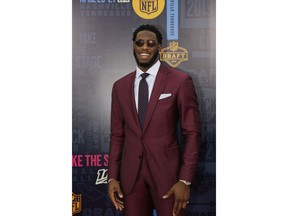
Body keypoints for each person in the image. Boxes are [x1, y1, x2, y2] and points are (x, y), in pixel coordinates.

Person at [107, 24, 201, 216]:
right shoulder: (119, 86)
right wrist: (112, 178)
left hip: (169, 178)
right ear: (133, 46)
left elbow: (192, 134)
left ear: (159, 47)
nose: (145, 47)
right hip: (130, 179)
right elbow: (117, 136)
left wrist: (184, 180)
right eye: (140, 43)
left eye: (151, 43)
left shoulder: (180, 81)